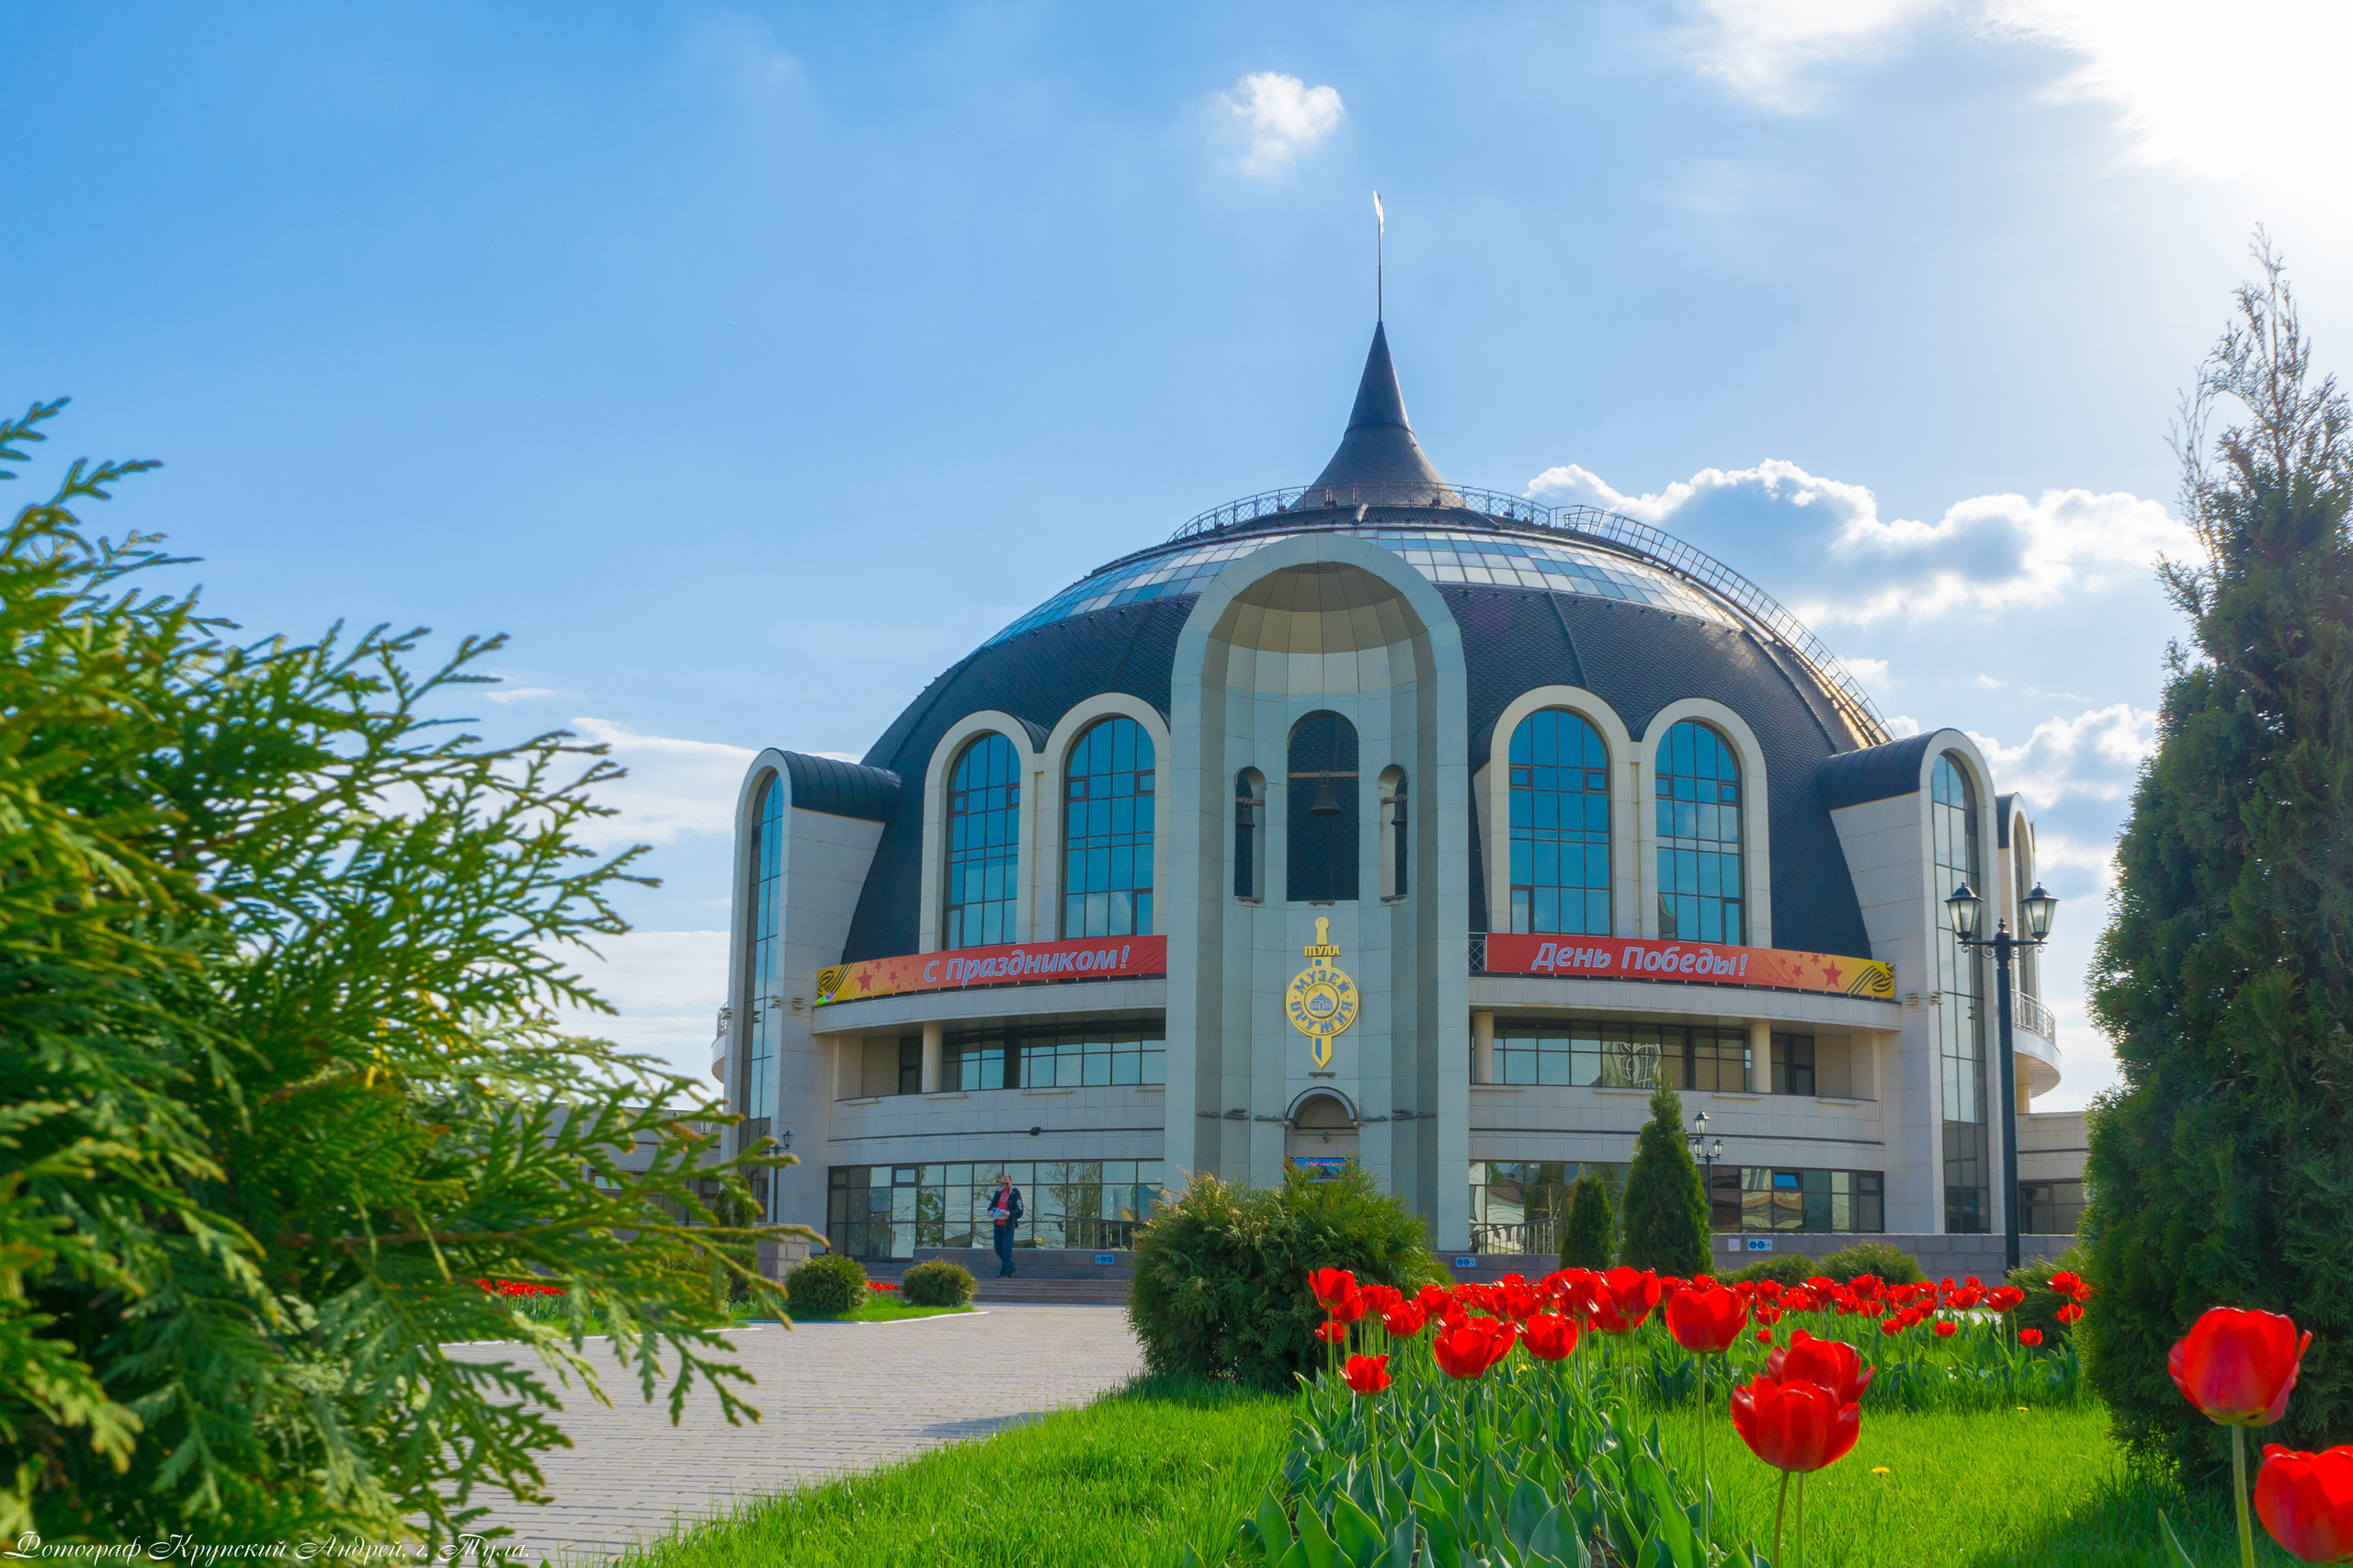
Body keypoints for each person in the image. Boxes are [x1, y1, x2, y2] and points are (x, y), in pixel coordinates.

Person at [988, 1172, 1024, 1278]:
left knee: (1006, 1249)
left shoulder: (1015, 1193)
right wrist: (990, 1211)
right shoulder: (998, 1192)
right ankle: (1011, 1266)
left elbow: (1020, 1210)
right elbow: (991, 1205)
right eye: (1002, 1184)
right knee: (998, 1249)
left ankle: (1004, 1272)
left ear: (1011, 1182)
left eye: (1006, 1184)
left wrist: (1010, 1213)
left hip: (1008, 1226)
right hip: (998, 1224)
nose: (1004, 1186)